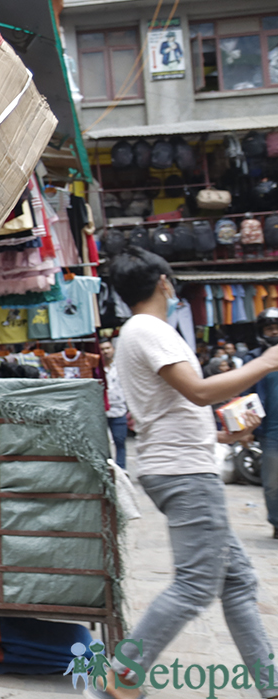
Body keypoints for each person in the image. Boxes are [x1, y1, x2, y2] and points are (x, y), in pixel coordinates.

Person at [92, 248, 278, 699]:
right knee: (196, 586)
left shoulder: (141, 331)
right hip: (185, 474)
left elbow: (170, 411)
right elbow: (197, 392)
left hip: (182, 464)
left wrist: (224, 437)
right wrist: (268, 360)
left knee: (238, 583)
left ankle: (270, 684)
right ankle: (120, 674)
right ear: (163, 282)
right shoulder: (147, 329)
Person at [246, 308, 278, 539]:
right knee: (273, 483)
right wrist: (245, 430)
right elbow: (245, 394)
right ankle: (276, 522)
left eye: (277, 328)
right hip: (270, 431)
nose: (274, 332)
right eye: (269, 328)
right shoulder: (254, 359)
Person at [98, 338, 128, 469]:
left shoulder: (121, 367)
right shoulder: (96, 369)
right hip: (100, 411)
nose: (105, 352)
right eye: (102, 349)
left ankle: (121, 470)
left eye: (107, 348)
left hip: (119, 410)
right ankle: (109, 470)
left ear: (113, 349)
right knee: (103, 444)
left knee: (120, 441)